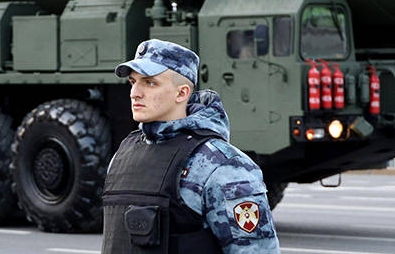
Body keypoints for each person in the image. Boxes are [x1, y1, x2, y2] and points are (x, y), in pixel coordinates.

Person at [101, 39, 279, 254]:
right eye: (132, 81)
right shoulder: (124, 153)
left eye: (149, 83)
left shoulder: (223, 166)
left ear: (182, 93)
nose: (135, 93)